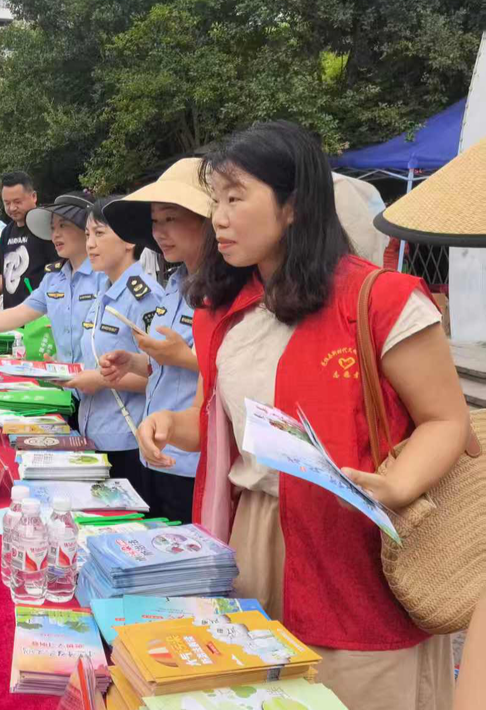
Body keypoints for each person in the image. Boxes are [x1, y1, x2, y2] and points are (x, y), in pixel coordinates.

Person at [134, 121, 464, 709]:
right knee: (260, 688)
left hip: (358, 545)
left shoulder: (381, 300)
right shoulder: (221, 312)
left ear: (292, 205)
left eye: (237, 198)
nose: (220, 218)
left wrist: (396, 483)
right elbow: (231, 429)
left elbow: (446, 420)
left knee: (358, 692)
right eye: (216, 202)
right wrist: (170, 426)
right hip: (254, 532)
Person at [97, 158, 213, 523]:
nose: (161, 232)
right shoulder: (176, 282)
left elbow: (230, 369)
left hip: (191, 459)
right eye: (156, 222)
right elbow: (166, 362)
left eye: (171, 219)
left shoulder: (225, 292)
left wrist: (183, 358)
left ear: (206, 221)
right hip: (154, 447)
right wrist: (134, 360)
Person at [61, 197, 161, 484]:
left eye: (100, 233)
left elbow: (161, 375)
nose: (90, 244)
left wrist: (100, 380)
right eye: (88, 234)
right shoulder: (104, 290)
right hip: (93, 433)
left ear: (129, 240)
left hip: (128, 440)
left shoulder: (145, 297)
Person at [0, 192, 103, 365]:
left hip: (104, 387)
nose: (55, 235)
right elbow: (20, 313)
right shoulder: (54, 278)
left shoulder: (106, 278)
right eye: (53, 228)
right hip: (69, 386)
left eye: (63, 225)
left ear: (87, 229)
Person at [0, 172, 60, 311]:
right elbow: (4, 273)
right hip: (11, 317)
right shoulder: (7, 232)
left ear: (34, 197)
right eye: (7, 203)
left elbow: (61, 275)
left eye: (17, 202)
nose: (12, 208)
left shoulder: (47, 230)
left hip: (39, 318)